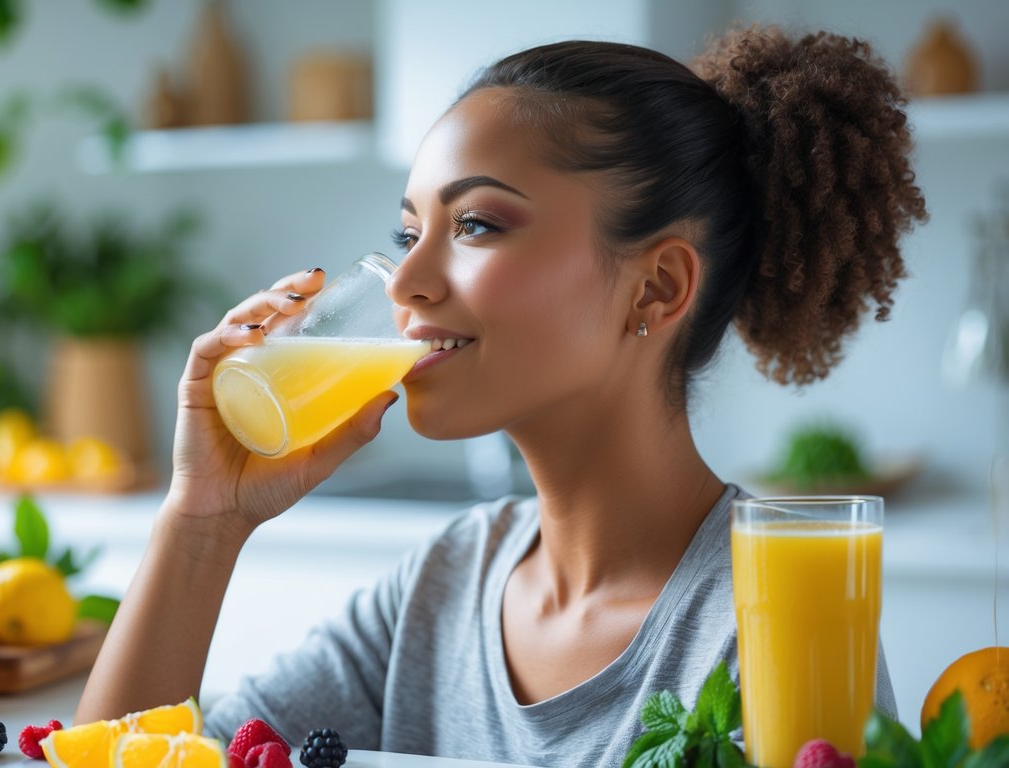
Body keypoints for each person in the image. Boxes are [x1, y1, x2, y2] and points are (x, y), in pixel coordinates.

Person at [76, 25, 927, 765]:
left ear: (656, 287)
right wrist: (204, 523)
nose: (402, 281)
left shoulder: (773, 617)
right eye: (407, 233)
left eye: (475, 224)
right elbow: (127, 756)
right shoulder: (443, 583)